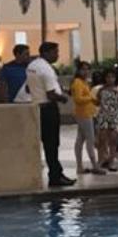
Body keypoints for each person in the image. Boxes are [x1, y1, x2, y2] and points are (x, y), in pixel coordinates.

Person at [25, 42, 75, 188]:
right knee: (52, 144)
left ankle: (57, 173)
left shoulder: (32, 66)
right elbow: (51, 94)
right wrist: (64, 98)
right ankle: (55, 176)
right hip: (48, 109)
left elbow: (29, 88)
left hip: (36, 108)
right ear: (47, 52)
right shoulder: (46, 69)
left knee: (47, 143)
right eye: (56, 52)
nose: (57, 55)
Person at [71, 61, 105, 175]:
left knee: (80, 140)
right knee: (90, 140)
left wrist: (92, 100)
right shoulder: (77, 82)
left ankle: (79, 167)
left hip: (86, 113)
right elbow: (78, 99)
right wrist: (90, 98)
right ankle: (95, 166)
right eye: (83, 69)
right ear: (78, 70)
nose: (86, 72)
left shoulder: (83, 82)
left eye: (87, 69)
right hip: (83, 114)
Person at [97, 69, 118, 171]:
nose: (110, 79)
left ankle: (111, 161)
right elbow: (98, 101)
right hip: (104, 115)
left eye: (112, 77)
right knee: (102, 139)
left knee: (113, 139)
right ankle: (101, 160)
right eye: (108, 77)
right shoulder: (101, 89)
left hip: (116, 115)